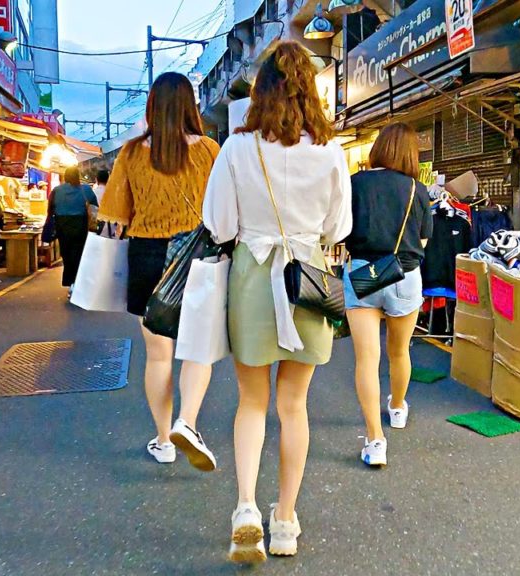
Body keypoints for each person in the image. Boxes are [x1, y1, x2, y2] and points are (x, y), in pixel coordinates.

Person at [203, 41, 352, 563]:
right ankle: (285, 521)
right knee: (294, 405)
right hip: (308, 277)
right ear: (310, 91)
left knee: (252, 401)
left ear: (259, 92)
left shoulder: (237, 148)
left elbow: (218, 226)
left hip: (253, 277)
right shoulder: (331, 151)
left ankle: (245, 508)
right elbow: (339, 228)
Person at [100, 72, 222, 472]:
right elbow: (224, 210)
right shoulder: (209, 151)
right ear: (191, 106)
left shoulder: (132, 152)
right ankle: (188, 421)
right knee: (198, 348)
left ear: (152, 106)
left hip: (147, 256)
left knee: (158, 356)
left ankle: (164, 440)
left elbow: (115, 218)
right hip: (198, 257)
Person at [342, 122, 433, 468]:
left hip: (364, 274)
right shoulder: (417, 190)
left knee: (367, 359)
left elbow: (341, 231)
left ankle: (375, 439)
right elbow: (423, 241)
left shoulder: (356, 183)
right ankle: (397, 407)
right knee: (399, 352)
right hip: (404, 275)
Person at [48, 166, 98, 294]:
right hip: (79, 224)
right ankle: (76, 282)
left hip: (62, 225)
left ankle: (70, 281)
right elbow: (95, 204)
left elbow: (51, 208)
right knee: (79, 254)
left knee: (66, 254)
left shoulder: (57, 190)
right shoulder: (85, 189)